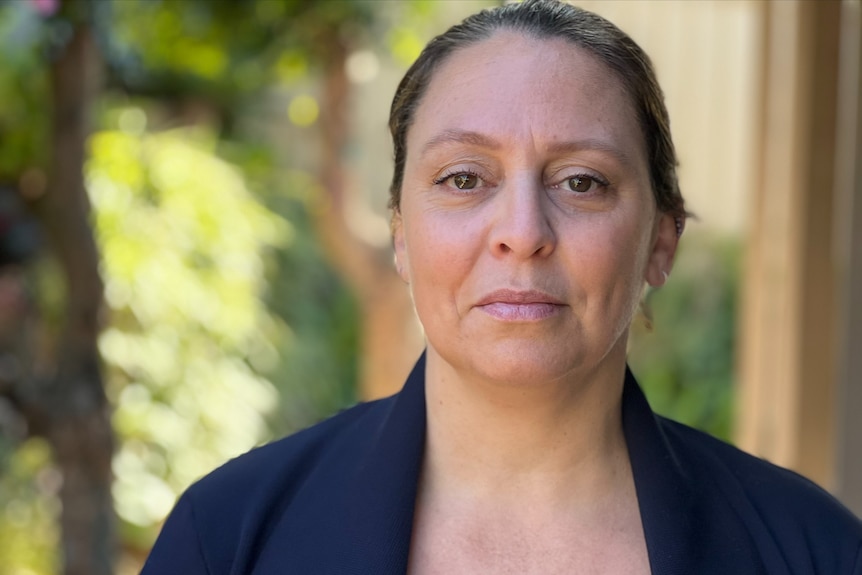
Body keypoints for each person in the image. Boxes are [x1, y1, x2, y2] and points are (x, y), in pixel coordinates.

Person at [141, 1, 862, 573]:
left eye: (581, 182)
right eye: (464, 179)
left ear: (661, 243)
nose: (522, 230)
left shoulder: (813, 550)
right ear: (400, 233)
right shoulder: (228, 538)